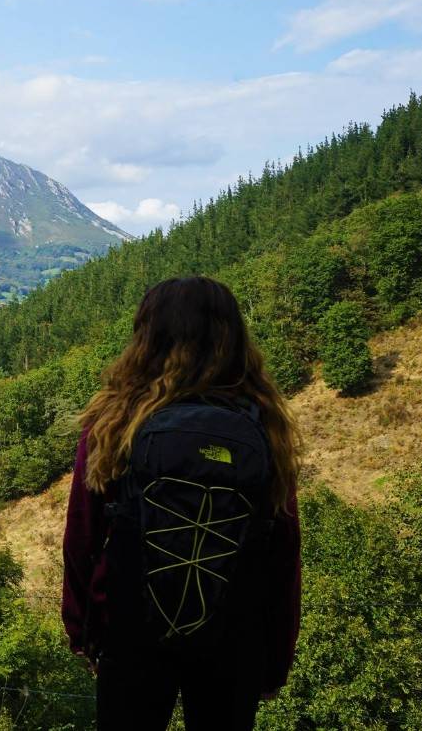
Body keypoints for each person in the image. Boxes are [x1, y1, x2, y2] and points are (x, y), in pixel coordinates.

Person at [61, 277, 302, 730]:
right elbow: (284, 551)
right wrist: (275, 656)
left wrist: (84, 630)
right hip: (235, 635)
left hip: (131, 629)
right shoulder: (264, 425)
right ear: (233, 339)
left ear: (147, 337)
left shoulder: (115, 419)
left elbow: (81, 537)